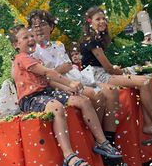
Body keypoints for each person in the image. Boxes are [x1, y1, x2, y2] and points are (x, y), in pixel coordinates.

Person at [9, 25, 132, 166]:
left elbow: (46, 81)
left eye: (31, 36)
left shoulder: (32, 58)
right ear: (16, 45)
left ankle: (102, 142)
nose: (31, 39)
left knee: (83, 100)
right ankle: (69, 155)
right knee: (56, 107)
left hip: (46, 92)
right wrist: (70, 83)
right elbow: (48, 73)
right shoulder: (22, 58)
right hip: (31, 98)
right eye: (25, 37)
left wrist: (66, 89)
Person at [80, 6, 152, 144]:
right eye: (98, 19)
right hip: (97, 76)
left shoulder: (96, 38)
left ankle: (149, 125)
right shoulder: (91, 39)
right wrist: (123, 71)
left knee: (145, 81)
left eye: (103, 18)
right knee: (144, 82)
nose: (102, 21)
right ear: (89, 22)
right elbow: (108, 68)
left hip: (102, 73)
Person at [27, 9, 121, 150]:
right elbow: (45, 76)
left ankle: (105, 136)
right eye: (34, 26)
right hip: (55, 86)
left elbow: (68, 66)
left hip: (72, 79)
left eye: (42, 24)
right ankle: (98, 138)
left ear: (51, 27)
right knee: (94, 94)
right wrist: (58, 71)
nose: (38, 28)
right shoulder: (32, 52)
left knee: (106, 92)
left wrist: (58, 70)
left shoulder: (58, 45)